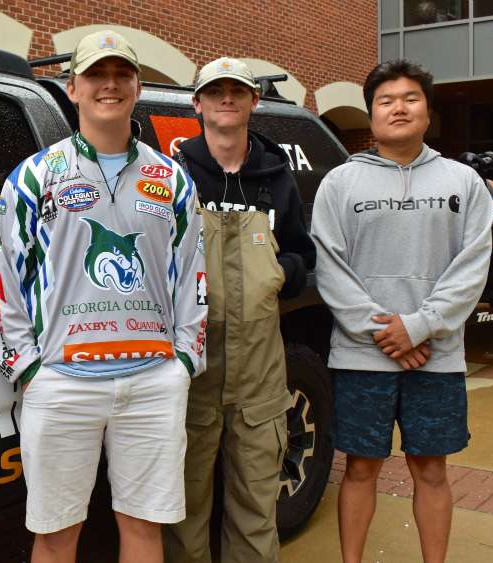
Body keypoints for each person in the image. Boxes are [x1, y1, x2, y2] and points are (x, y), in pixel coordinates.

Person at [0, 30, 206, 563]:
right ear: (72, 88)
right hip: (62, 382)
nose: (110, 84)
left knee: (143, 527)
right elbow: (4, 276)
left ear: (137, 87)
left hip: (152, 381)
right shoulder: (36, 176)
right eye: (95, 75)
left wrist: (183, 361)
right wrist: (27, 368)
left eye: (121, 74)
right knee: (55, 534)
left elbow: (193, 275)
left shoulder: (171, 178)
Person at [310, 59, 493, 563]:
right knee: (359, 468)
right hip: (361, 357)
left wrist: (419, 327)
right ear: (371, 114)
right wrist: (386, 333)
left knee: (431, 469)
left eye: (410, 98)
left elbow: (473, 265)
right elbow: (329, 266)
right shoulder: (340, 183)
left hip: (436, 355)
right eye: (386, 100)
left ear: (428, 112)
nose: (399, 108)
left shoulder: (463, 181)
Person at [163, 56, 315, 563]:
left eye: (237, 91)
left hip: (259, 373)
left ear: (254, 101)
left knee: (256, 504)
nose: (226, 98)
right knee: (183, 507)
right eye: (215, 90)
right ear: (197, 103)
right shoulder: (175, 176)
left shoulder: (277, 177)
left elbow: (301, 253)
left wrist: (277, 273)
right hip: (193, 370)